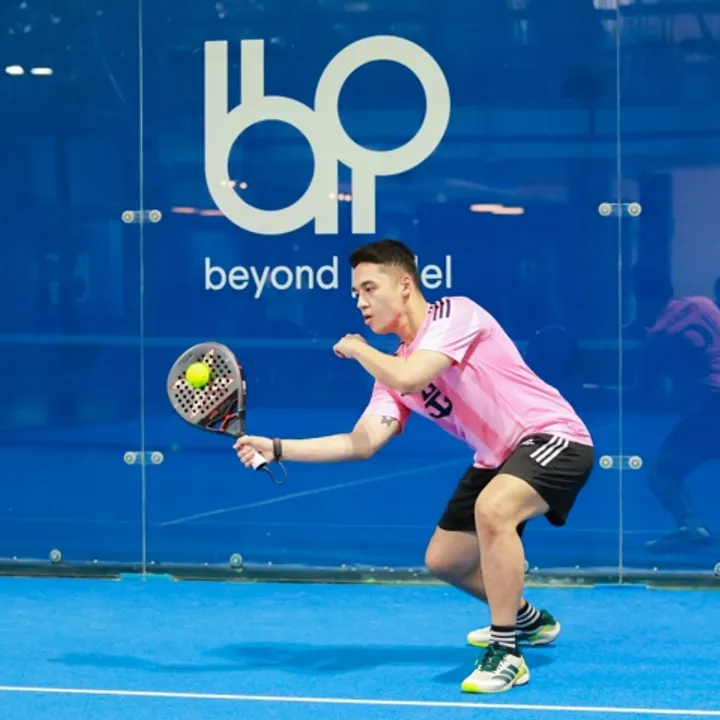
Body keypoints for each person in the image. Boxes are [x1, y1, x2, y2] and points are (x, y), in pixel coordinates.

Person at [234, 239, 594, 694]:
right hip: (496, 458)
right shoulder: (393, 370)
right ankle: (527, 619)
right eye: (355, 294)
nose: (360, 302)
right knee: (445, 561)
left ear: (405, 285)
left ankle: (506, 651)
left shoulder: (454, 314)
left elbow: (411, 376)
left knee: (494, 509)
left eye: (369, 288)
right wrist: (277, 448)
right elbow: (362, 442)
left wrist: (359, 349)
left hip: (554, 438)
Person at [631, 268, 717, 552]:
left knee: (661, 472)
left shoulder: (658, 334)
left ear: (640, 299)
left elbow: (654, 382)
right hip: (710, 403)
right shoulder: (704, 305)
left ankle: (690, 526)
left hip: (712, 404)